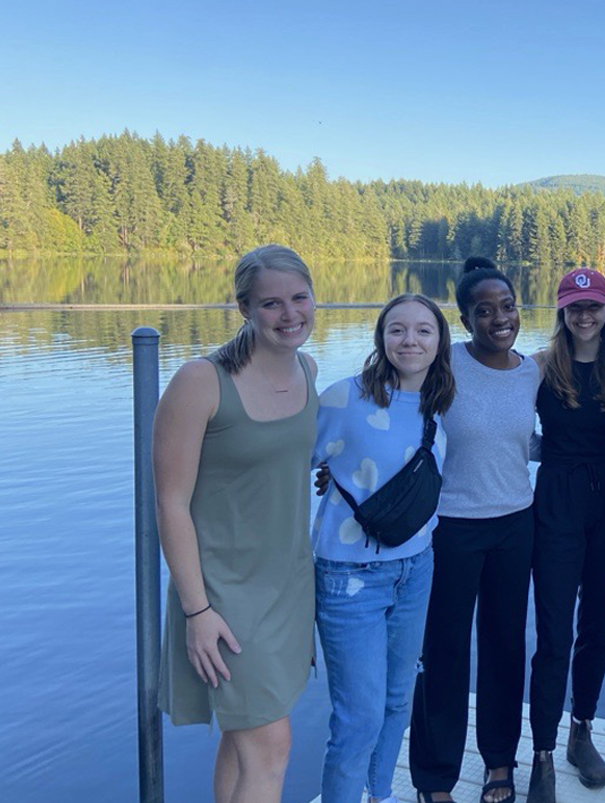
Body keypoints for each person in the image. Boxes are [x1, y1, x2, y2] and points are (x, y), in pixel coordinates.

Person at [154, 245, 318, 803]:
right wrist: (196, 610)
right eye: (271, 303)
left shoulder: (308, 370)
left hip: (289, 585)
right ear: (244, 307)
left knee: (244, 738)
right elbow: (170, 503)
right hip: (224, 594)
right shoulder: (201, 382)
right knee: (270, 747)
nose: (289, 313)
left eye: (300, 297)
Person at [311, 293, 455, 803]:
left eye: (423, 330)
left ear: (440, 341)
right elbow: (287, 462)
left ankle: (380, 792)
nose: (410, 340)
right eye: (397, 330)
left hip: (416, 566)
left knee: (398, 699)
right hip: (348, 576)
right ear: (381, 338)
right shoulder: (343, 399)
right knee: (358, 716)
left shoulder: (440, 402)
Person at [409, 257, 541, 803]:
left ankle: (499, 764)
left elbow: (523, 441)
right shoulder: (443, 363)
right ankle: (435, 779)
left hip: (516, 524)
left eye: (506, 307)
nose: (499, 318)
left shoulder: (533, 370)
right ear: (464, 321)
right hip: (451, 528)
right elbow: (392, 408)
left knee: (505, 647)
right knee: (443, 651)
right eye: (483, 311)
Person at [526, 267, 605, 803]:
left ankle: (582, 732)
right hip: (556, 504)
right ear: (562, 313)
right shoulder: (541, 367)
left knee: (597, 627)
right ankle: (542, 754)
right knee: (553, 635)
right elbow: (494, 421)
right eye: (575, 307)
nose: (585, 315)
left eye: (594, 306)